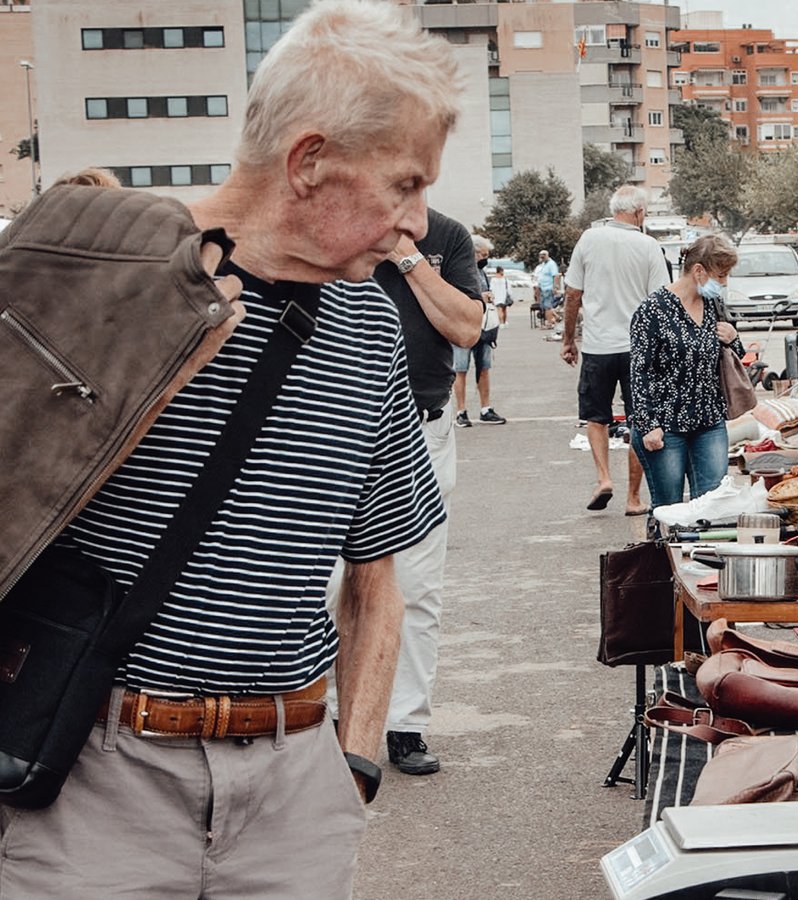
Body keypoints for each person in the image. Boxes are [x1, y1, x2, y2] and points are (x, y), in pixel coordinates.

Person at [0, 3, 457, 895]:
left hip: (294, 795)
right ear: (308, 162)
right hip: (90, 784)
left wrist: (353, 766)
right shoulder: (111, 285)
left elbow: (376, 580)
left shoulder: (370, 325)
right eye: (404, 184)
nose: (419, 220)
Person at [340, 207, 484, 778]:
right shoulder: (332, 225)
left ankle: (404, 724)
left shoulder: (447, 235)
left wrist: (407, 259)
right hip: (336, 428)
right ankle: (331, 720)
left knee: (419, 587)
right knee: (327, 584)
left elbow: (466, 328)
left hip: (422, 426)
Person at [562, 185, 666, 513]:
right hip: (638, 349)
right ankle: (634, 498)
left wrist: (568, 340)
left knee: (596, 417)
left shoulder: (589, 239)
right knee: (639, 420)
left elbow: (572, 295)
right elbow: (660, 303)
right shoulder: (649, 246)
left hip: (598, 345)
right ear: (637, 213)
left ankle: (604, 477)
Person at [629, 235, 743, 508]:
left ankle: (701, 552)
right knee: (670, 508)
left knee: (712, 504)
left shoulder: (712, 305)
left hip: (708, 421)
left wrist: (733, 338)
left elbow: (729, 357)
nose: (724, 283)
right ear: (699, 271)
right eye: (721, 275)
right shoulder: (652, 311)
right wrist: (648, 426)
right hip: (665, 426)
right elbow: (639, 371)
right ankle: (661, 551)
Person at [453, 235, 507, 426]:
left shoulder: (481, 272)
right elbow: (453, 295)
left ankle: (486, 408)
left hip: (483, 326)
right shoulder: (458, 269)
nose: (486, 258)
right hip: (462, 326)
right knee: (460, 369)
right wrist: (479, 297)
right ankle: (461, 411)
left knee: (484, 368)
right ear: (473, 253)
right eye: (483, 254)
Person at [533, 249, 561, 331]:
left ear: (547, 255)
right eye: (540, 256)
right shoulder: (544, 265)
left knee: (548, 306)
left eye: (543, 256)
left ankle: (550, 323)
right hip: (543, 288)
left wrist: (555, 287)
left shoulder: (551, 264)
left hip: (548, 288)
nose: (542, 258)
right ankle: (554, 318)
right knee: (545, 306)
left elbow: (555, 276)